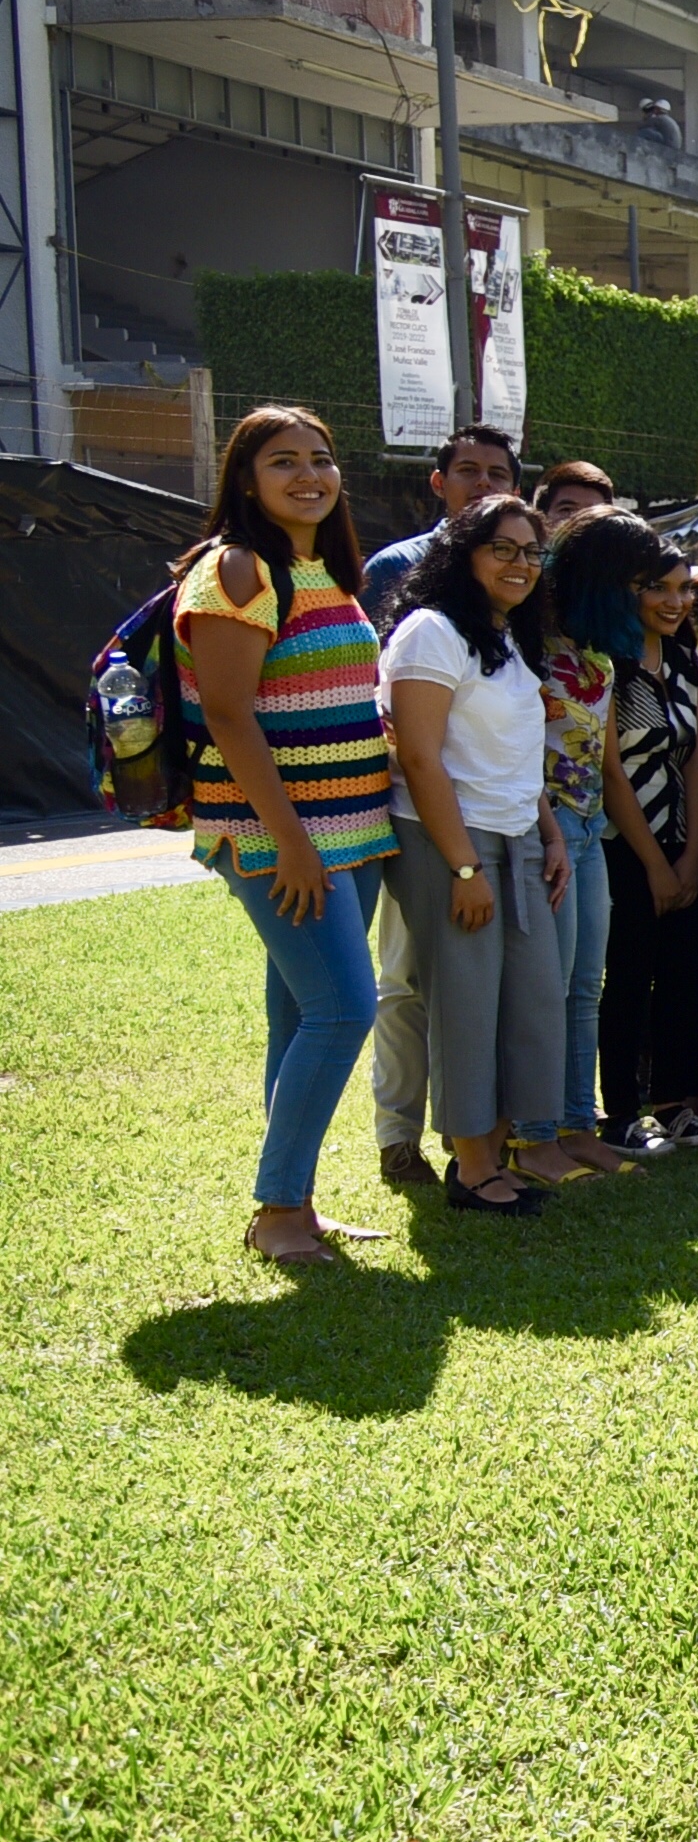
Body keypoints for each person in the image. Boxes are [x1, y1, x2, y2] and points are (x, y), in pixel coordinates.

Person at [172, 408, 403, 1259]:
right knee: (344, 1011)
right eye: (282, 462)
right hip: (283, 838)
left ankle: (294, 1202)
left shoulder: (319, 569)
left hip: (354, 830)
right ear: (243, 478)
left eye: (321, 459)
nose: (308, 475)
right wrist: (292, 843)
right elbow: (229, 715)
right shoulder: (237, 570)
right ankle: (275, 1211)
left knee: (300, 1017)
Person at [371, 495, 574, 1210]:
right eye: (503, 548)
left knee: (529, 1001)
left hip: (516, 837)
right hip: (446, 841)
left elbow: (514, 753)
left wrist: (547, 833)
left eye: (531, 552)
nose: (520, 564)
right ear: (464, 553)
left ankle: (498, 1153)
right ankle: (472, 1167)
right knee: (464, 1006)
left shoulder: (508, 635)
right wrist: (462, 867)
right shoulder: (431, 631)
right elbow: (421, 759)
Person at [560, 513, 698, 1152]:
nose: (674, 603)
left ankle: (675, 1101)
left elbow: (695, 752)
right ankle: (619, 1112)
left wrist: (694, 852)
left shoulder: (684, 656)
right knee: (623, 977)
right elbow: (611, 770)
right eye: (659, 589)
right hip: (622, 843)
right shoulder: (608, 662)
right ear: (629, 591)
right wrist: (654, 863)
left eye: (684, 589)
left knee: (680, 973)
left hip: (680, 836)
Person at [525, 511, 648, 1180]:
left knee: (584, 987)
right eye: (630, 580)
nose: (640, 595)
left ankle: (578, 1124)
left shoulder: (597, 654)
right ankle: (536, 1133)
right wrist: (551, 832)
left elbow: (607, 764)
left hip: (589, 831)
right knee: (549, 986)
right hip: (540, 833)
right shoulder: (528, 648)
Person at [351, 423, 522, 618]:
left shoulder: (526, 570)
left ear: (515, 493)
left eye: (497, 474)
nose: (484, 481)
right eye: (468, 470)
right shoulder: (395, 566)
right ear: (439, 483)